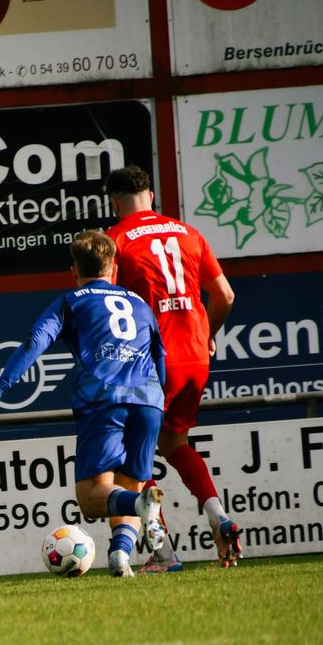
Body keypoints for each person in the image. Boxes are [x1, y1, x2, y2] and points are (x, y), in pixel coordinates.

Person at [0, 230, 167, 577]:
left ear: (73, 271)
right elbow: (160, 358)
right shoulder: (140, 303)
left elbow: (36, 340)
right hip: (150, 400)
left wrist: (1, 385)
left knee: (92, 496)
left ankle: (140, 506)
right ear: (114, 269)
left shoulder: (71, 301)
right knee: (127, 486)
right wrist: (157, 402)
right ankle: (120, 556)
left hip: (104, 396)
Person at [105, 165, 242, 570]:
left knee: (131, 458)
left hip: (152, 362)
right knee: (175, 442)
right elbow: (225, 295)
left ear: (115, 203)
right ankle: (219, 516)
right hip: (196, 357)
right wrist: (207, 333)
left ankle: (163, 553)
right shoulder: (189, 233)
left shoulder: (116, 239)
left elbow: (107, 305)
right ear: (150, 196)